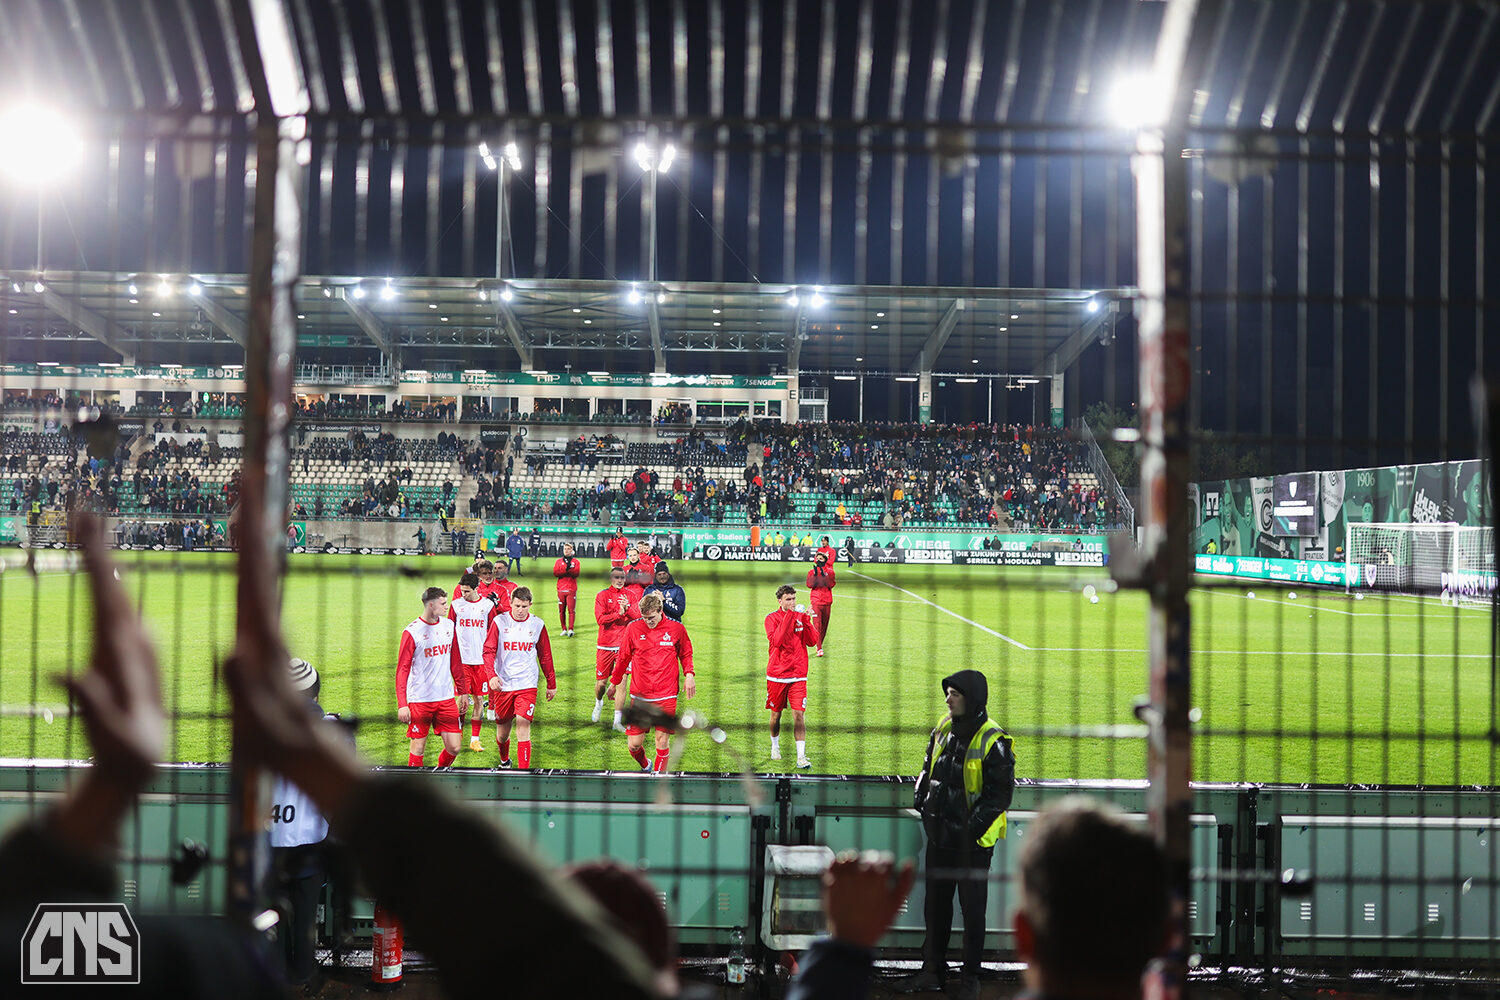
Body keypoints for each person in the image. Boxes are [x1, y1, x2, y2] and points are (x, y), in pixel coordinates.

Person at [895, 669, 1015, 1000]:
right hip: (940, 838)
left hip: (972, 846)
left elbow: (999, 798)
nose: (947, 699)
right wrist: (921, 798)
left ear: (972, 699)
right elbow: (927, 764)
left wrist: (967, 832)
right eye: (947, 692)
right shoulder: (944, 725)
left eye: (955, 694)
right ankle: (931, 972)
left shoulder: (995, 740)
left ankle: (970, 982)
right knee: (936, 907)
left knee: (973, 913)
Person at [270, 657, 335, 989]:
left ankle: (275, 977)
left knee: (273, 920)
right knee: (306, 917)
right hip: (310, 843)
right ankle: (303, 977)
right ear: (315, 692)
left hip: (268, 845)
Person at [607, 594, 695, 773]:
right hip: (640, 696)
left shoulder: (676, 629)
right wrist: (614, 683)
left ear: (660, 611)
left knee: (662, 741)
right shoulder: (633, 628)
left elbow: (686, 653)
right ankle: (646, 765)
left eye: (652, 618)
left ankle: (657, 780)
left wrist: (689, 674)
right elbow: (623, 658)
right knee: (634, 745)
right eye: (645, 618)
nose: (648, 622)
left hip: (666, 694)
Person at [482, 586, 557, 769]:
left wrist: (551, 683)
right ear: (510, 603)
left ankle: (522, 775)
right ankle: (504, 760)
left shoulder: (537, 624)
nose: (521, 610)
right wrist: (491, 676)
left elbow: (545, 655)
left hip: (527, 684)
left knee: (523, 728)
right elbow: (488, 651)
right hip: (503, 685)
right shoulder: (500, 622)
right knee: (502, 734)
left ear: (530, 604)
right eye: (517, 606)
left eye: (524, 606)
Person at [396, 586, 469, 769]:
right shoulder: (412, 632)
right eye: (443, 603)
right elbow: (402, 670)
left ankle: (439, 773)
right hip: (420, 699)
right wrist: (402, 704)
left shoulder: (449, 626)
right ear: (430, 605)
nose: (447, 607)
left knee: (455, 746)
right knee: (418, 747)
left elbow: (456, 662)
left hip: (445, 698)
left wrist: (463, 692)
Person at [764, 584, 819, 769]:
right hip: (777, 675)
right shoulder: (771, 619)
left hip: (798, 675)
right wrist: (790, 615)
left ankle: (801, 757)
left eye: (794, 598)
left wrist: (808, 621)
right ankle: (775, 746)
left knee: (799, 715)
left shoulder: (800, 617)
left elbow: (812, 642)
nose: (792, 602)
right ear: (780, 601)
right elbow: (777, 641)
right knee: (775, 715)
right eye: (788, 599)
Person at [449, 570, 503, 753]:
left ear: (476, 588)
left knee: (479, 699)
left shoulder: (487, 606)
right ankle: (458, 733)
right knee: (462, 699)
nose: (463, 594)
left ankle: (475, 739)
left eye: (466, 591)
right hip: (462, 660)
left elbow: (493, 631)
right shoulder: (456, 605)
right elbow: (449, 629)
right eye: (461, 591)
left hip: (481, 661)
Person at [594, 565, 638, 728]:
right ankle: (599, 702)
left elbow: (638, 618)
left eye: (622, 578)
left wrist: (627, 609)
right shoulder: (602, 596)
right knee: (602, 684)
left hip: (624, 646)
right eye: (616, 578)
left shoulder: (631, 596)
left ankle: (617, 721)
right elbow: (600, 619)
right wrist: (618, 614)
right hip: (605, 645)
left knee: (622, 683)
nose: (619, 581)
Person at [805, 551, 836, 657]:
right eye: (817, 558)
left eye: (821, 559)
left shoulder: (830, 572)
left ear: (825, 560)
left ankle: (819, 645)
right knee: (817, 625)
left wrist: (824, 577)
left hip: (827, 601)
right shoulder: (811, 572)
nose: (818, 560)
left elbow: (831, 584)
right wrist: (815, 576)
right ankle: (819, 648)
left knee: (824, 626)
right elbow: (809, 585)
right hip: (816, 601)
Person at [554, 542, 581, 637]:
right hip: (561, 589)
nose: (566, 550)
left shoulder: (576, 562)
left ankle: (571, 629)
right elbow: (556, 573)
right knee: (561, 611)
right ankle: (564, 629)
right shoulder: (558, 561)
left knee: (571, 610)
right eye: (565, 549)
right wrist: (566, 569)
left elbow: (576, 574)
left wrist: (567, 571)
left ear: (572, 550)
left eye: (568, 549)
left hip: (571, 589)